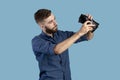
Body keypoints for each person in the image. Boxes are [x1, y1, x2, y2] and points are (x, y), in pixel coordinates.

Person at [32, 9, 95, 80]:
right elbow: (57, 50)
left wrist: (90, 27)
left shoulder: (62, 35)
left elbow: (88, 37)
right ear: (42, 26)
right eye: (50, 22)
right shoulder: (37, 41)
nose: (56, 23)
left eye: (54, 19)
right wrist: (79, 33)